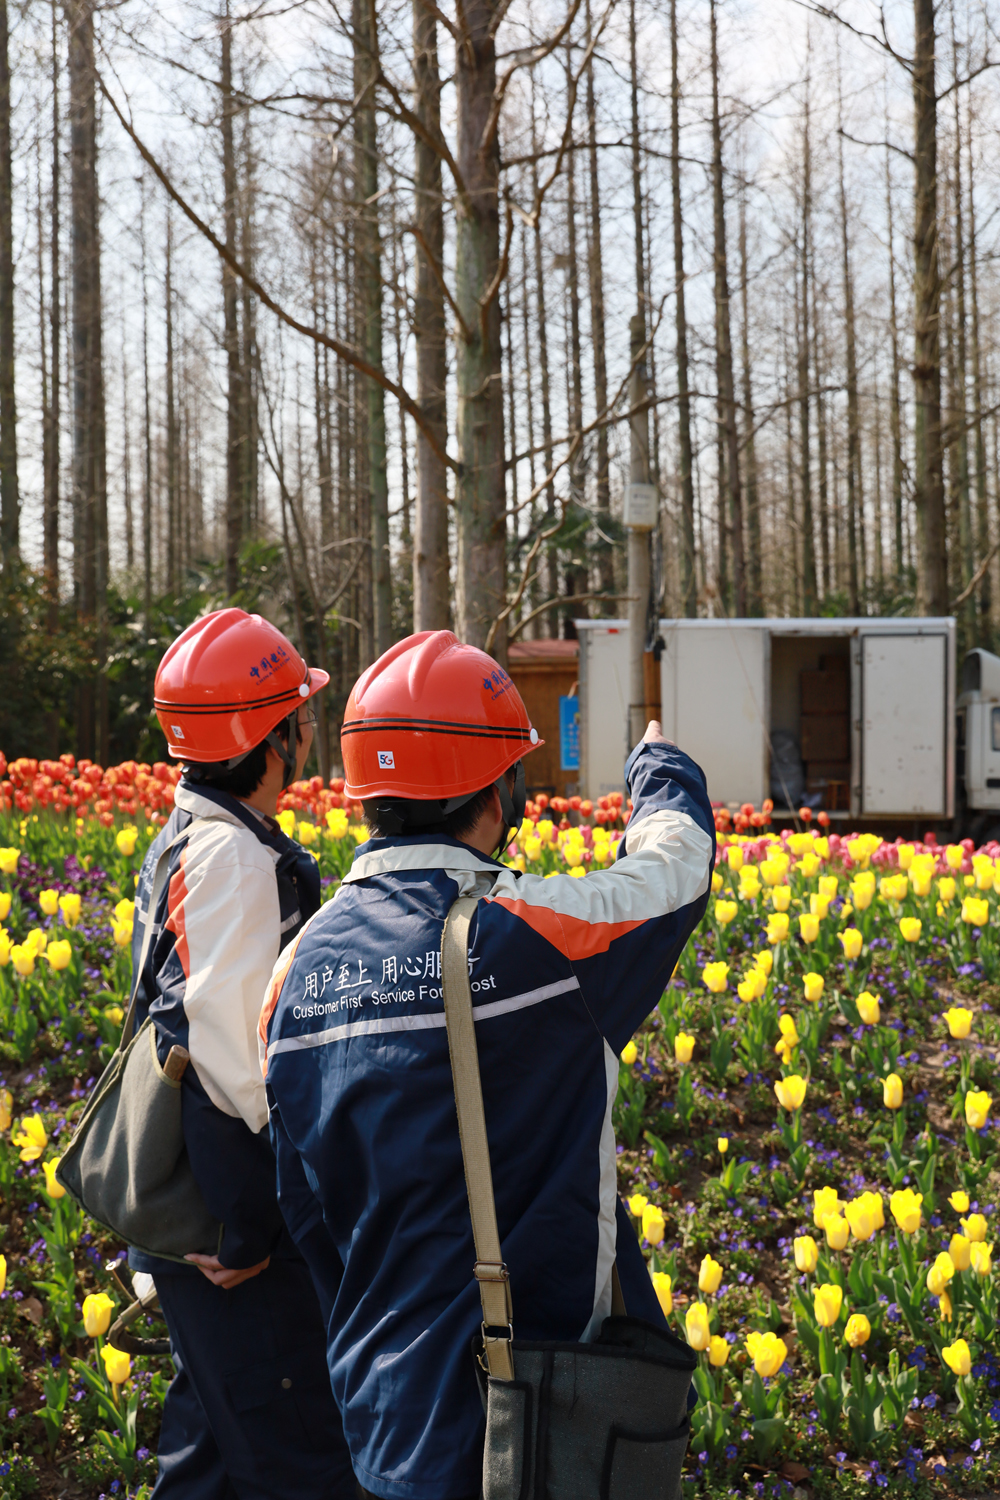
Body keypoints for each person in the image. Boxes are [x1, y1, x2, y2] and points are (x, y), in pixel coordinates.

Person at [259, 628, 715, 1500]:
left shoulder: (296, 971)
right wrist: (660, 770)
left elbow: (302, 1203)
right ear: (499, 791)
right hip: (537, 1400)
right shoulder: (533, 936)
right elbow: (675, 871)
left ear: (366, 798)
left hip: (381, 1395)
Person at [131, 606, 355, 1500]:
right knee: (293, 1453)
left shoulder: (195, 833)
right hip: (235, 1222)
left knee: (211, 1449)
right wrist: (250, 1225)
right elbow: (230, 1055)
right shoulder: (229, 855)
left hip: (205, 1204)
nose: (305, 731)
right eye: (298, 715)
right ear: (275, 737)